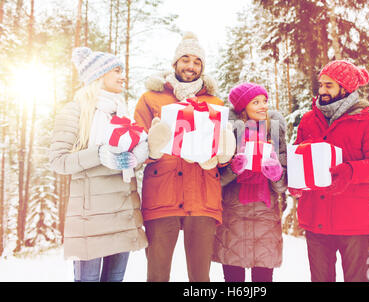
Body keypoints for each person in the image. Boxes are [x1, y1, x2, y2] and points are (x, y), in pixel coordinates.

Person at [133, 32, 235, 282]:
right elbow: (135, 146)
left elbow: (224, 158)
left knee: (200, 278)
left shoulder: (214, 102)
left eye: (197, 62)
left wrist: (222, 156)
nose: (191, 66)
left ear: (203, 67)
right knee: (157, 275)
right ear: (175, 63)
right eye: (185, 59)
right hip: (161, 195)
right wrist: (151, 150)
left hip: (202, 198)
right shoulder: (150, 99)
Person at [49, 47, 148, 282]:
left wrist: (136, 160)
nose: (123, 76)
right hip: (90, 219)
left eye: (122, 71)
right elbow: (58, 161)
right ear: (98, 75)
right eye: (116, 70)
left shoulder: (121, 113)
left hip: (122, 214)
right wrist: (99, 154)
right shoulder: (75, 111)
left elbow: (127, 160)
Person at [290, 60, 369, 282]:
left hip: (352, 220)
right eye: (321, 85)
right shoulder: (309, 120)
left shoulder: (367, 120)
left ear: (345, 88)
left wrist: (349, 171)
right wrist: (295, 179)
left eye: (329, 85)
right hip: (315, 215)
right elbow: (299, 155)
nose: (322, 90)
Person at [212, 83, 287, 282]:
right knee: (234, 280)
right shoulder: (227, 132)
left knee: (263, 280)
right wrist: (233, 169)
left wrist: (277, 174)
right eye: (256, 102)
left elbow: (282, 186)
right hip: (233, 215)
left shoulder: (275, 132)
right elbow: (215, 181)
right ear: (242, 107)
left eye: (265, 101)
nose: (263, 106)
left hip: (265, 217)